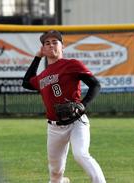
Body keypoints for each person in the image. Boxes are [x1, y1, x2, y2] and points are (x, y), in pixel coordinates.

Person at [22, 30, 106, 183]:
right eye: (47, 43)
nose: (51, 45)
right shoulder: (42, 76)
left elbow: (95, 85)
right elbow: (26, 82)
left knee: (81, 154)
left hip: (76, 122)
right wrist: (37, 57)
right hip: (54, 128)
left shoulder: (71, 64)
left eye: (55, 42)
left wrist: (83, 105)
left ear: (63, 46)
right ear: (43, 49)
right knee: (55, 174)